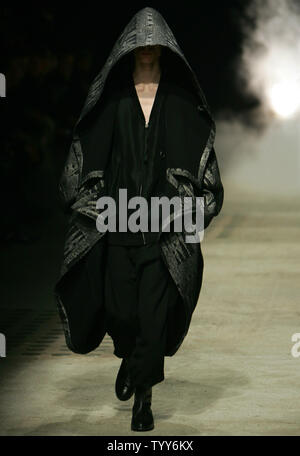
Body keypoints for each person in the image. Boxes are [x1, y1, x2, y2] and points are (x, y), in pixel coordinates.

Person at [54, 7, 224, 433]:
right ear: (128, 47)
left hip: (163, 230)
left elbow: (205, 169)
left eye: (155, 41)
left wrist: (193, 206)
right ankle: (129, 359)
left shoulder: (180, 99)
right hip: (117, 224)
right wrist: (83, 197)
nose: (148, 46)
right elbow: (85, 151)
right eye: (141, 40)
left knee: (152, 315)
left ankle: (144, 400)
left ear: (165, 48)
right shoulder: (112, 98)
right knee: (122, 314)